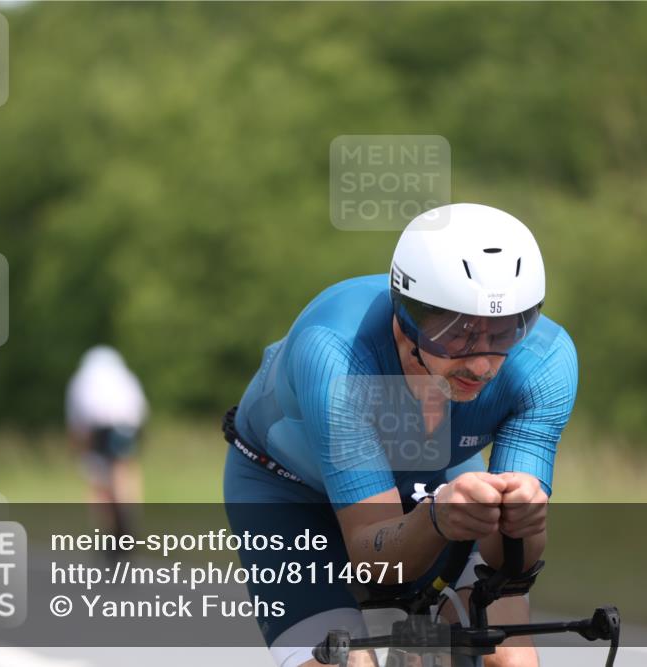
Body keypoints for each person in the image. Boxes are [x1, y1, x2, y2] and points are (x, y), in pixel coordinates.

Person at [223, 203, 578, 667]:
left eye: (506, 331)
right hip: (289, 493)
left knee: (510, 660)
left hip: (438, 482)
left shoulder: (545, 364)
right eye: (459, 335)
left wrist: (523, 524)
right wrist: (435, 520)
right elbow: (378, 564)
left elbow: (509, 566)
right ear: (407, 316)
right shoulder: (336, 354)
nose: (481, 363)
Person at [66, 345, 148, 546]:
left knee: (97, 479)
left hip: (99, 429)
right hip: (128, 427)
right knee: (124, 470)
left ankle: (105, 531)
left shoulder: (83, 379)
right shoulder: (125, 376)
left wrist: (80, 448)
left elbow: (77, 419)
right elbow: (141, 408)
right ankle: (128, 514)